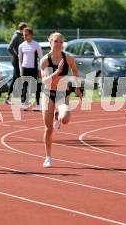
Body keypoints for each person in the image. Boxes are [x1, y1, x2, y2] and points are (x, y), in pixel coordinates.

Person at [40, 32, 82, 168]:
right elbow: (45, 81)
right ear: (50, 42)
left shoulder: (68, 58)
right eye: (56, 41)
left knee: (65, 119)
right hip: (47, 94)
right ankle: (48, 157)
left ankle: (59, 116)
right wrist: (57, 72)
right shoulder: (45, 60)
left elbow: (75, 71)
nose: (58, 44)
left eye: (60, 42)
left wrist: (77, 87)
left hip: (62, 93)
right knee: (48, 128)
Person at [18, 27, 43, 111]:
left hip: (34, 68)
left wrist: (40, 69)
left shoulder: (36, 45)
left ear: (31, 35)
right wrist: (21, 69)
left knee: (36, 86)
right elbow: (20, 59)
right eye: (23, 35)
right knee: (25, 86)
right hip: (25, 68)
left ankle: (39, 104)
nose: (24, 36)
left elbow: (41, 58)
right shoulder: (21, 46)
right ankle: (25, 103)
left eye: (26, 35)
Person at [5, 22, 27, 105]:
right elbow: (9, 48)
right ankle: (23, 98)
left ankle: (8, 97)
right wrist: (16, 55)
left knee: (15, 79)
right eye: (25, 29)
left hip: (22, 60)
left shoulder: (22, 36)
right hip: (16, 60)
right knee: (19, 78)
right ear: (21, 29)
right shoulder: (16, 36)